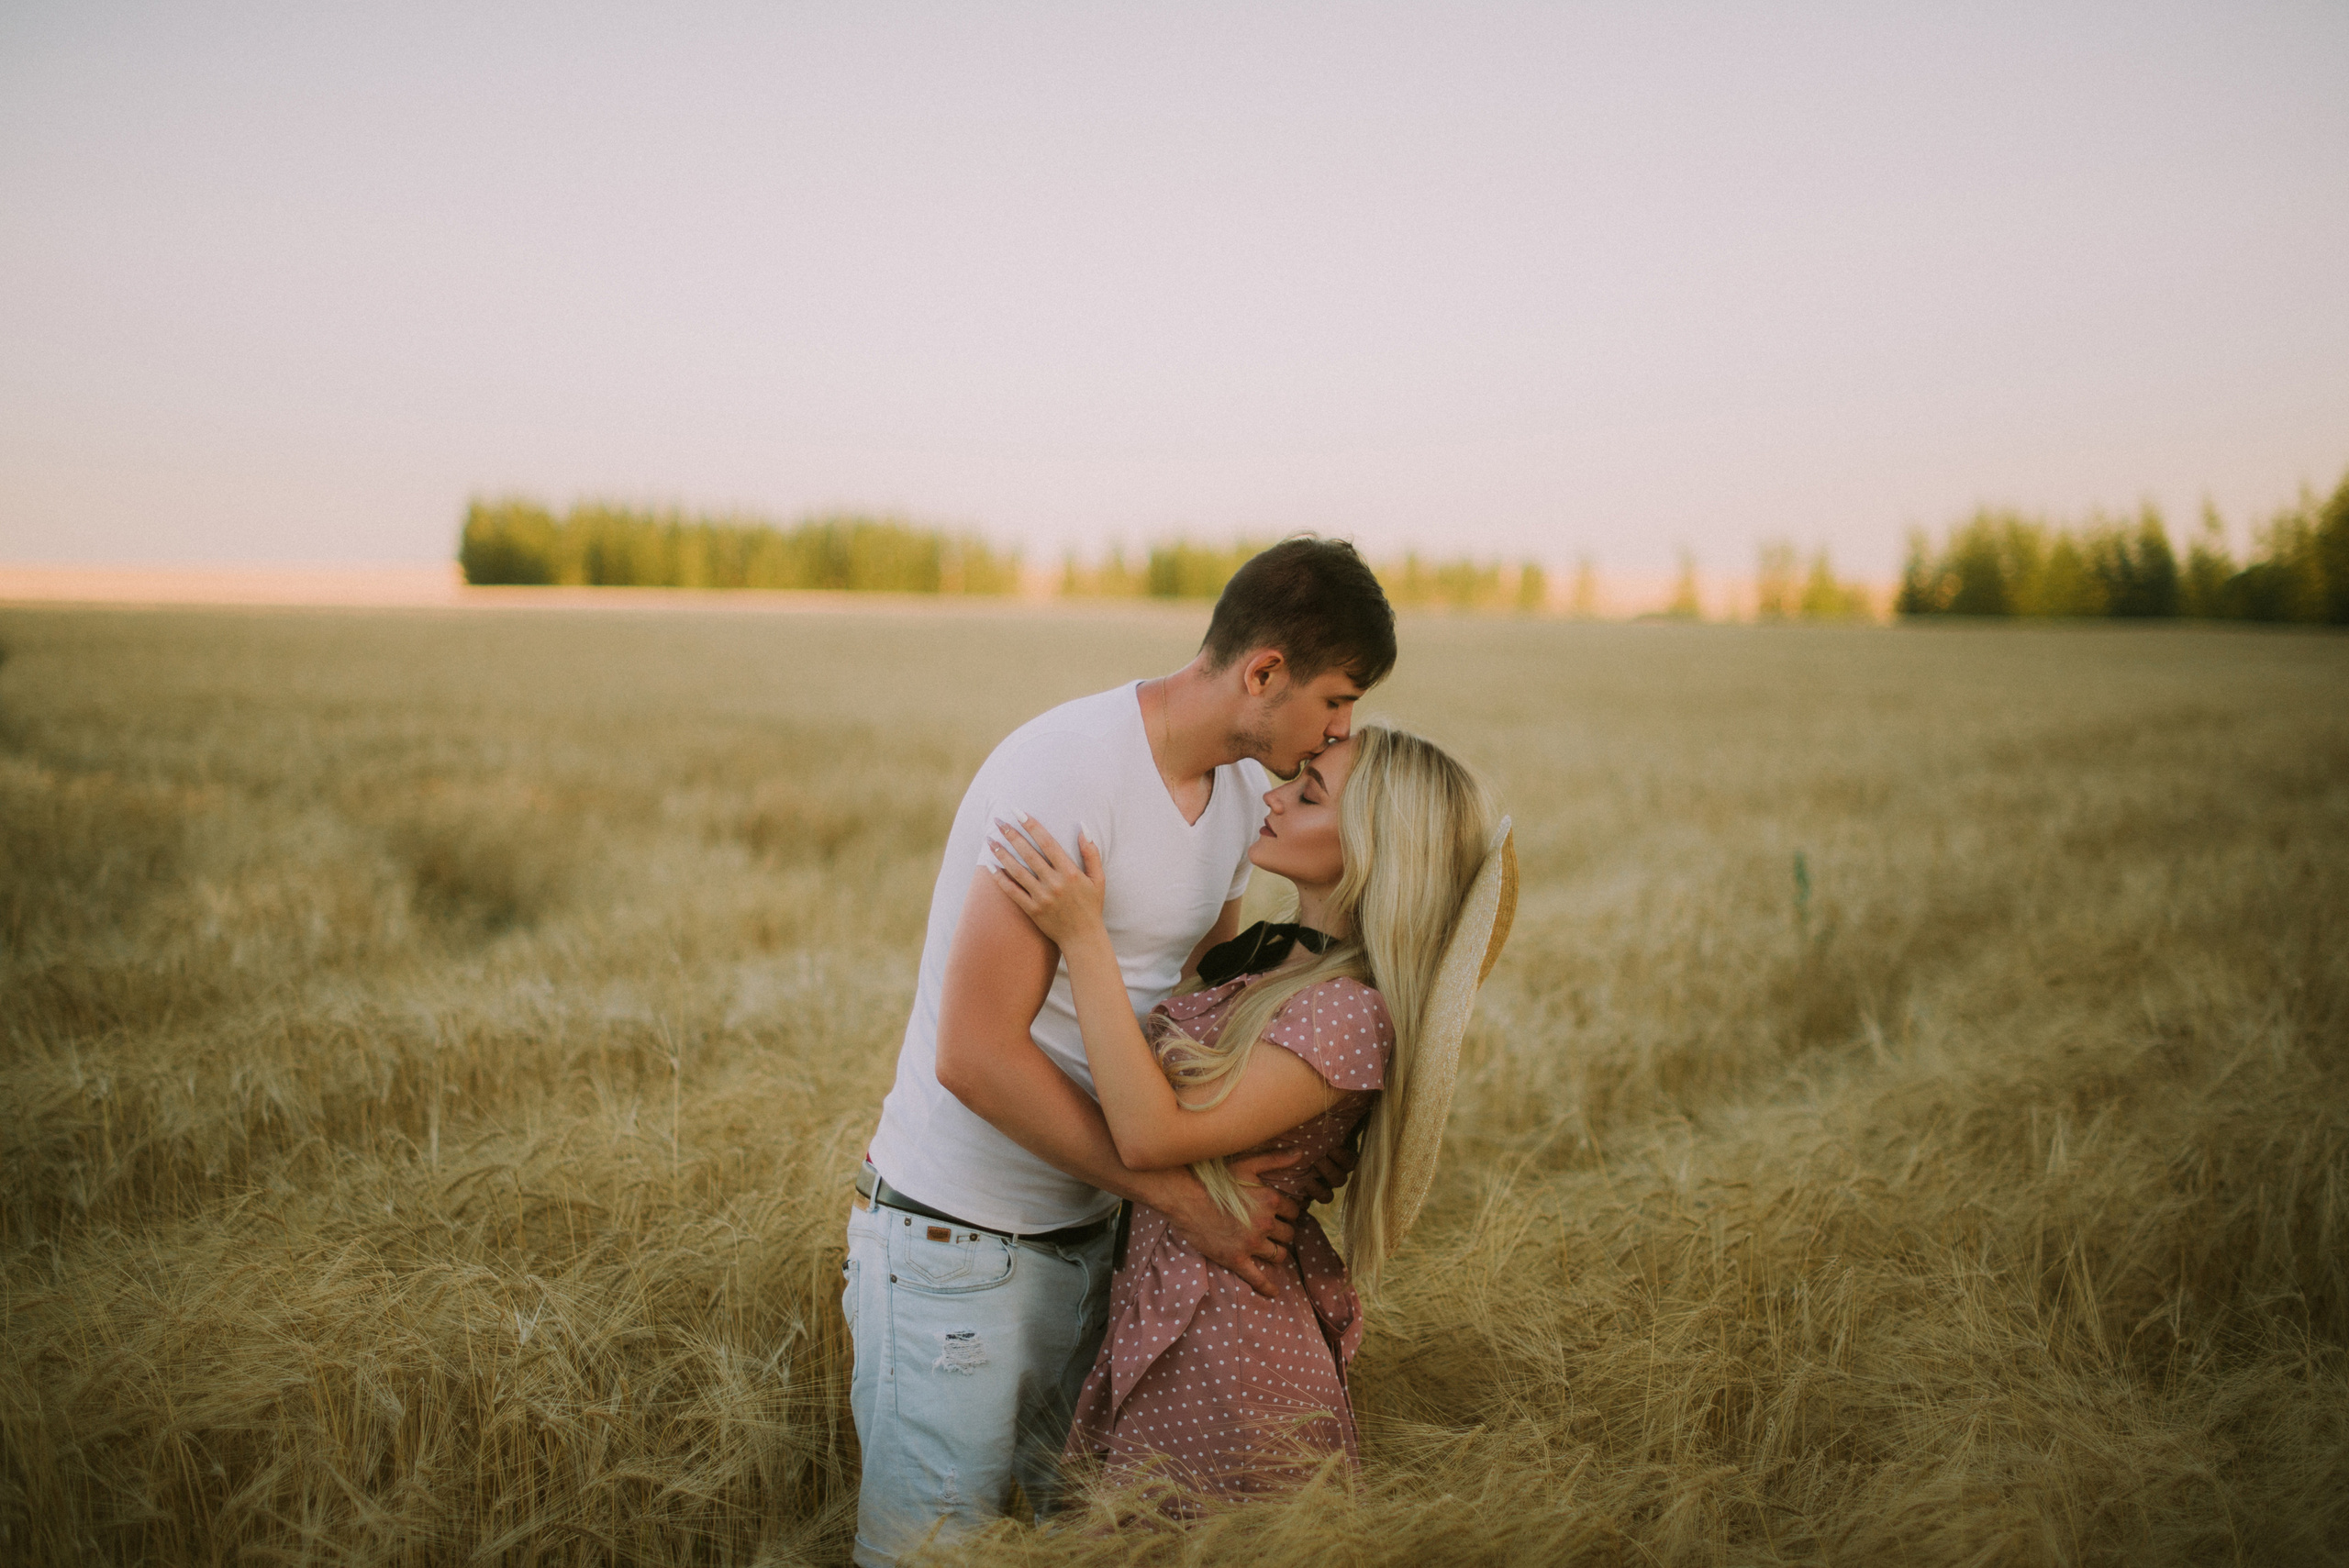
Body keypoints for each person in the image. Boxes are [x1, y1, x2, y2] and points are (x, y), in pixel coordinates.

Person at [843, 537, 1397, 1566]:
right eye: (1335, 698)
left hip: (1093, 1249)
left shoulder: (1238, 799)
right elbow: (974, 1052)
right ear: (1263, 670)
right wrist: (1178, 1195)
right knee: (931, 1553)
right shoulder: (1068, 771)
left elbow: (1181, 1012)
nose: (1341, 730)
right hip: (955, 1247)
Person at [986, 720, 1497, 1510]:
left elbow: (1150, 1133)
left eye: (1311, 790)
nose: (1277, 793)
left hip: (1226, 1353)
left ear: (1372, 845)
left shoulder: (1350, 1012)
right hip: (1174, 1310)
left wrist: (1081, 935)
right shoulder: (1279, 962)